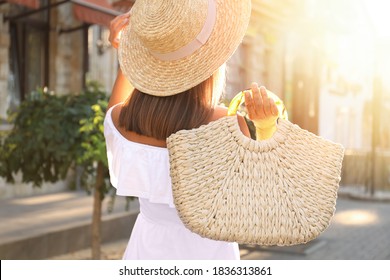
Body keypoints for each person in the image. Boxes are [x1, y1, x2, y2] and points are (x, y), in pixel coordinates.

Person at [104, 0, 279, 260]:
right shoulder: (227, 124)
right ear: (212, 59)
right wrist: (266, 128)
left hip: (146, 252)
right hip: (208, 256)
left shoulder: (120, 120)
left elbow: (117, 105)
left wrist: (125, 59)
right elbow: (261, 194)